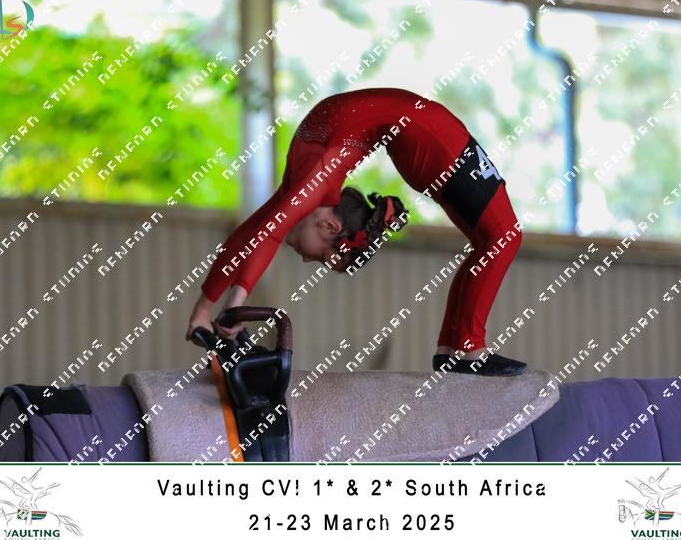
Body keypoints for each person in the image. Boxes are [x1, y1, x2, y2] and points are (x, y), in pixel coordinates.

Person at [186, 87, 526, 375]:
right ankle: (457, 349)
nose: (306, 260)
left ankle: (462, 349)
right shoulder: (310, 181)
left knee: (504, 236)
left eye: (321, 257)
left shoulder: (314, 182)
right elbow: (255, 232)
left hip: (432, 135)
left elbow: (267, 234)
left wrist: (230, 306)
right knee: (496, 238)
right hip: (421, 131)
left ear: (329, 226)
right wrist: (205, 311)